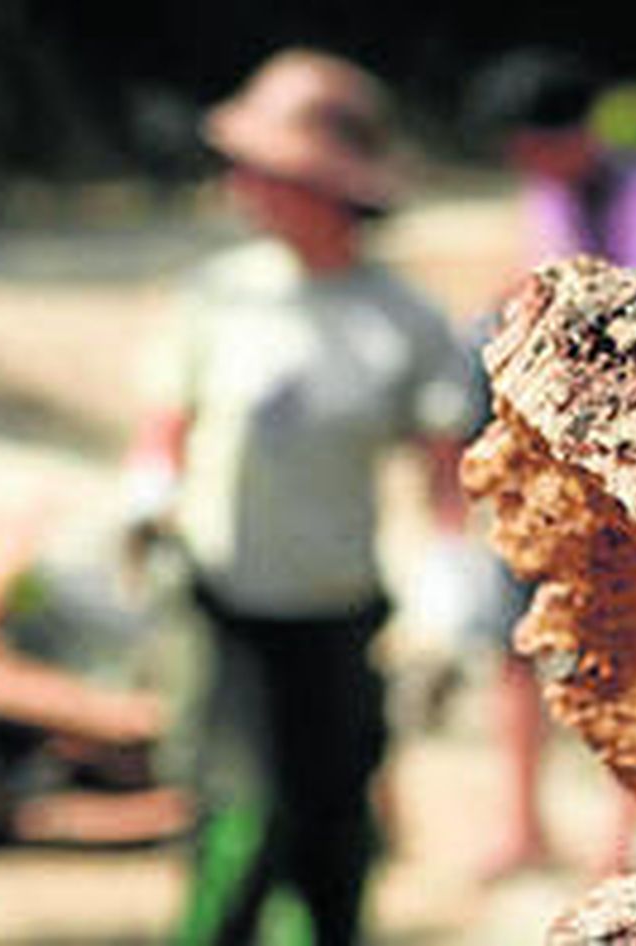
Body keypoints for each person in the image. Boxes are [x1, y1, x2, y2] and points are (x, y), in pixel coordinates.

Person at [124, 49, 475, 946]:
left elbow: (446, 482)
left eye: (269, 170)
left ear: (330, 186)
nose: (245, 184)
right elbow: (167, 426)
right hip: (225, 602)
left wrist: (448, 599)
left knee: (331, 825)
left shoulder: (401, 320)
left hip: (336, 609)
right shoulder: (219, 297)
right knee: (243, 817)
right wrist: (146, 498)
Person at [467, 48, 636, 881]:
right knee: (513, 639)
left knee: (634, 649)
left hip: (626, 455)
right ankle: (521, 822)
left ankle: (617, 842)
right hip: (545, 452)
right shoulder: (553, 193)